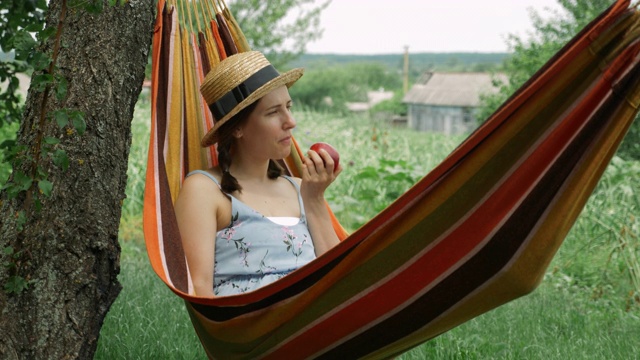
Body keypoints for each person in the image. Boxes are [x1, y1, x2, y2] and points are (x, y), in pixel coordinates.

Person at [174, 51, 342, 297]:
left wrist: (314, 198)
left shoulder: (300, 188)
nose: (290, 121)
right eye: (274, 112)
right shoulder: (204, 190)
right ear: (238, 128)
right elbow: (198, 288)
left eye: (288, 107)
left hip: (314, 321)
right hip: (252, 328)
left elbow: (338, 278)